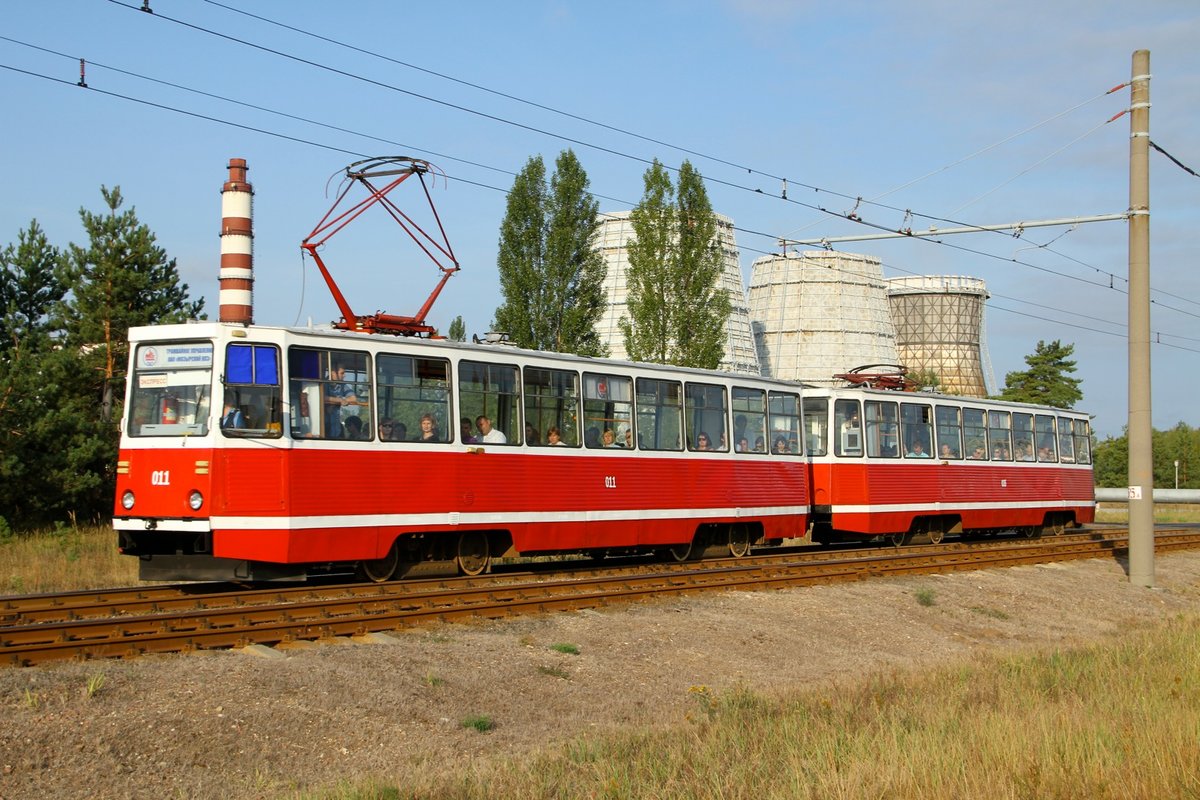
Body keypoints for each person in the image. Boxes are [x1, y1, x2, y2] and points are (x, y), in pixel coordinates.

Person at [325, 361, 357, 439]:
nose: (344, 375)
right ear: (333, 373)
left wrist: (336, 402)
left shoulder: (342, 385)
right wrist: (340, 400)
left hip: (336, 430)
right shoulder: (323, 383)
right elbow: (322, 397)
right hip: (324, 428)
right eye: (342, 373)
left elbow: (353, 398)